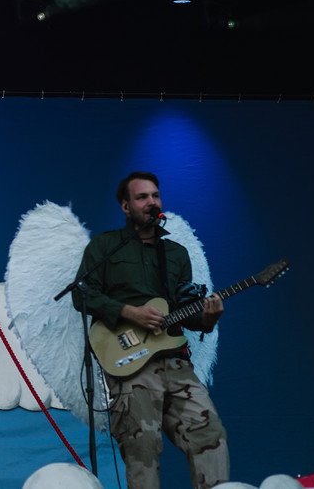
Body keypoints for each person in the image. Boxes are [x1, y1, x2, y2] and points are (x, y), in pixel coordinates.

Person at [71, 171, 229, 489]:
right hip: (131, 363)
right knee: (142, 448)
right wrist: (130, 312)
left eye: (155, 195)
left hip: (176, 361)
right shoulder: (105, 247)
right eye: (142, 197)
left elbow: (185, 311)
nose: (151, 202)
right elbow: (81, 294)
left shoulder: (176, 253)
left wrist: (208, 319)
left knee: (210, 436)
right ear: (126, 206)